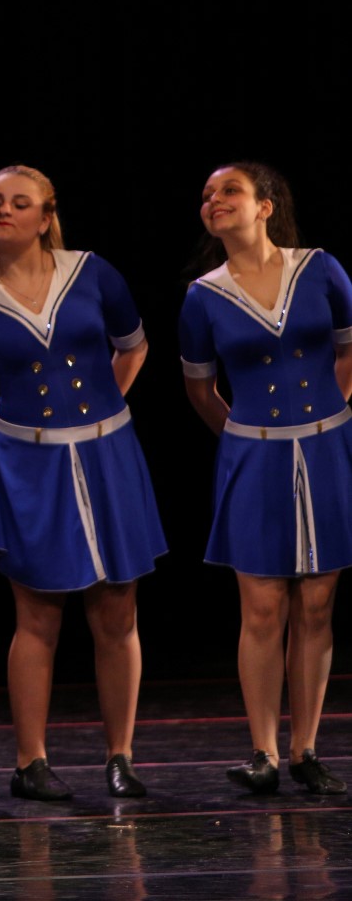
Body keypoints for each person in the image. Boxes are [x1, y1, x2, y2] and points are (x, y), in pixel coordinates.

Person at [0, 164, 166, 801]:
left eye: (20, 203)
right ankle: (30, 763)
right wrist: (13, 430)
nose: (3, 211)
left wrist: (103, 413)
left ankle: (120, 756)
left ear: (47, 217)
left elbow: (133, 346)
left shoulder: (92, 273)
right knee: (37, 615)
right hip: (30, 468)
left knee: (117, 610)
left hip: (108, 456)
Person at [179, 162, 352, 796]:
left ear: (266, 205)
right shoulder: (204, 296)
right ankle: (264, 753)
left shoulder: (320, 269)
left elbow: (349, 347)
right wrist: (245, 437)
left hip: (328, 450)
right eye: (207, 194)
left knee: (317, 603)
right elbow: (201, 391)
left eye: (230, 190)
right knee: (262, 606)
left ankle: (306, 749)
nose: (215, 200)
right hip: (253, 457)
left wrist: (330, 415)